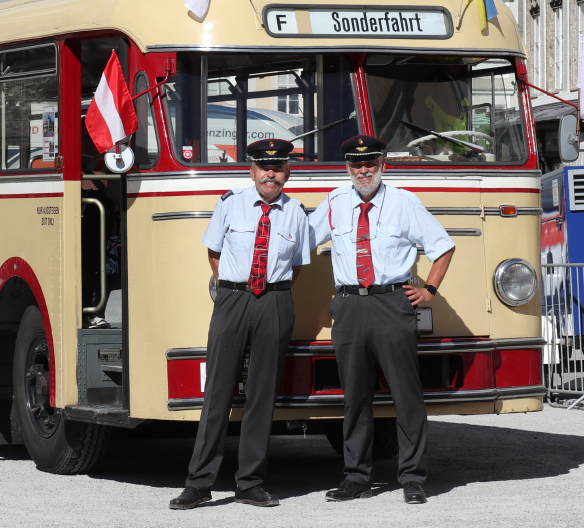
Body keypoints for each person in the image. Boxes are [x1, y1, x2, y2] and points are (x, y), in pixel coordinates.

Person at [169, 138, 315, 511]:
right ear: (252, 171)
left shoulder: (297, 212)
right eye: (265, 168)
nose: (271, 174)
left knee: (262, 395)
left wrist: (269, 293)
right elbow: (214, 253)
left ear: (287, 173)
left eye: (278, 168)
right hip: (232, 299)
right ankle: (199, 483)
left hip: (276, 301)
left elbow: (296, 266)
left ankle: (249, 482)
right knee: (217, 391)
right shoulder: (229, 203)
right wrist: (237, 290)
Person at [311, 135, 455, 505]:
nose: (363, 171)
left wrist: (430, 291)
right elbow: (301, 240)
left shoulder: (405, 203)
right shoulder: (334, 202)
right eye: (357, 165)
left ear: (382, 166)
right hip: (348, 306)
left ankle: (413, 478)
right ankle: (356, 477)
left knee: (406, 395)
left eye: (370, 164)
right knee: (355, 397)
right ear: (348, 169)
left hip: (392, 304)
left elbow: (443, 246)